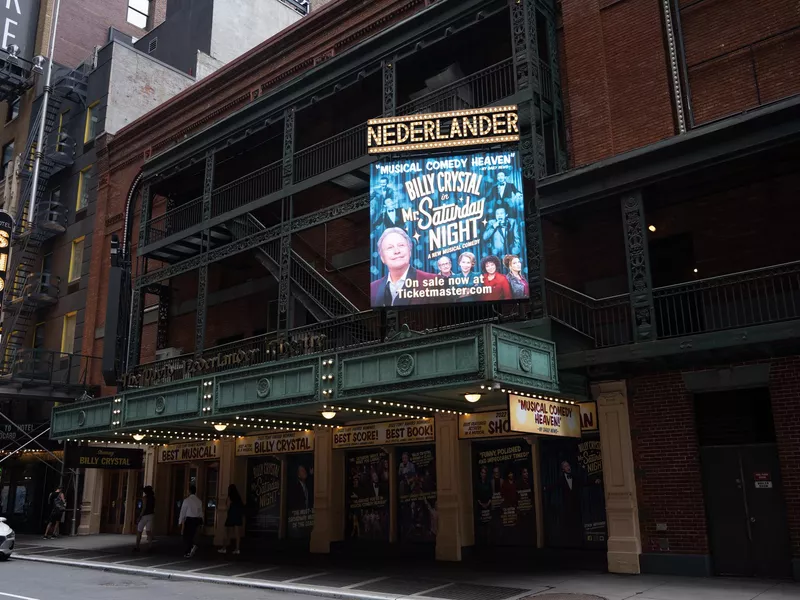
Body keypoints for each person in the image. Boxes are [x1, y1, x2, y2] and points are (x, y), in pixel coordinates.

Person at [370, 227, 436, 306]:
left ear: (410, 251)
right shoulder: (373, 288)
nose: (397, 251)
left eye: (401, 245)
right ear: (382, 258)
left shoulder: (434, 281)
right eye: (390, 248)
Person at [178, 485, 204, 558]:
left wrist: (180, 521)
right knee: (192, 535)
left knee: (186, 536)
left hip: (189, 519)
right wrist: (202, 520)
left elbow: (183, 512)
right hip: (196, 519)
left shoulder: (186, 500)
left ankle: (189, 550)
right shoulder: (199, 501)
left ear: (189, 491)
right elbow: (200, 512)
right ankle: (190, 549)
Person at [218, 484, 244, 555]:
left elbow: (228, 507)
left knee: (227, 533)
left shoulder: (230, 497)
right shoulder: (238, 498)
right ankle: (237, 549)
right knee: (237, 534)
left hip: (231, 516)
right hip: (237, 517)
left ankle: (224, 548)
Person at [133, 486, 155, 552]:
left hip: (144, 516)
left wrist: (139, 516)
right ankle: (150, 546)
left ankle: (137, 547)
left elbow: (143, 508)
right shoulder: (153, 498)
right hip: (151, 515)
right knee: (148, 531)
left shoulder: (145, 498)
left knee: (139, 531)